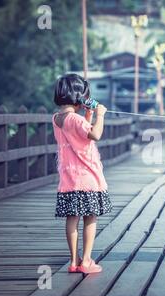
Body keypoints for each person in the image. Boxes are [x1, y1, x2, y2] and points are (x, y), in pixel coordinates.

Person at [52, 74, 113, 274]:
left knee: (72, 218)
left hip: (69, 179)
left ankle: (73, 260)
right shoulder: (75, 119)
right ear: (79, 95)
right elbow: (94, 134)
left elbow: (78, 134)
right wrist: (100, 115)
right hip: (87, 177)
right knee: (90, 218)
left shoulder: (57, 118)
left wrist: (88, 115)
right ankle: (86, 261)